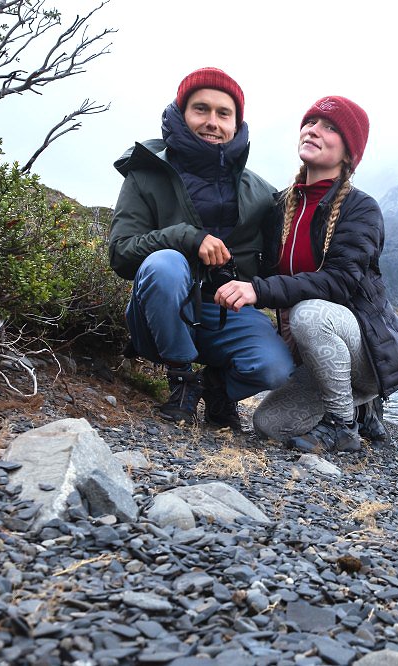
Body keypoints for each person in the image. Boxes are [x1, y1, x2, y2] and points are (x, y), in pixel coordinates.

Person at [214, 96, 398, 453]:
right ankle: (361, 410)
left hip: (362, 352)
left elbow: (338, 282)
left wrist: (258, 291)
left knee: (309, 312)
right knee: (268, 425)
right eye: (310, 122)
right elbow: (260, 268)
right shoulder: (279, 207)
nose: (314, 130)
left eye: (330, 127)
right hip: (315, 351)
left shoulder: (361, 209)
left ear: (348, 153)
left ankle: (342, 426)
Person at [108, 67, 294, 429]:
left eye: (223, 113)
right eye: (201, 109)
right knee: (165, 264)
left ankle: (215, 388)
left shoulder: (261, 193)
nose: (212, 121)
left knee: (275, 369)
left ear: (237, 123)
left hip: (224, 315)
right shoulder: (145, 174)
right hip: (161, 313)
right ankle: (180, 378)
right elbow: (121, 253)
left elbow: (278, 268)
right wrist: (186, 238)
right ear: (181, 113)